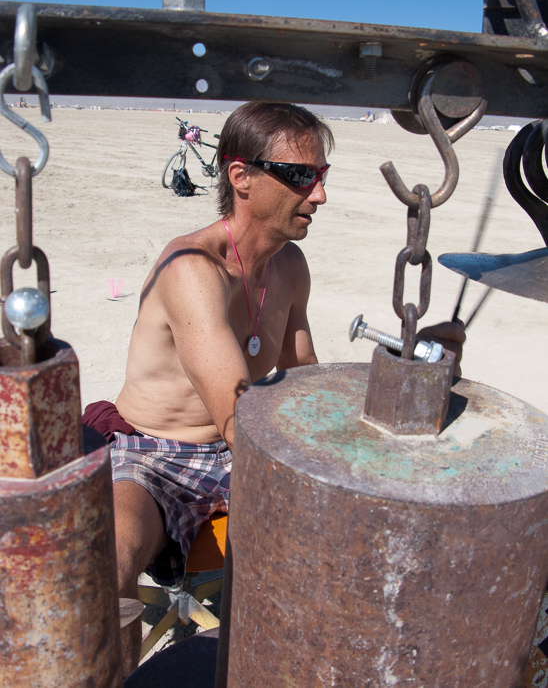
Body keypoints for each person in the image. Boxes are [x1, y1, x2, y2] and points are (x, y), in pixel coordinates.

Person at [84, 101, 465, 676]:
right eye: (300, 177)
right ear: (241, 177)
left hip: (243, 451)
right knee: (107, 563)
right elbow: (237, 413)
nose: (319, 196)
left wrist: (406, 369)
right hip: (155, 453)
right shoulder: (191, 269)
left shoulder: (290, 268)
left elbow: (304, 383)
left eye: (321, 177)